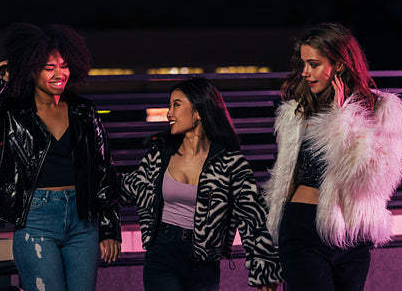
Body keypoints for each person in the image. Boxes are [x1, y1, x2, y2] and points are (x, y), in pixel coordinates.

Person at [0, 23, 121, 291]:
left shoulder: (84, 111)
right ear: (32, 69)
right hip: (36, 220)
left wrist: (109, 228)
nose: (58, 74)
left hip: (83, 221)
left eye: (64, 65)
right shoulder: (16, 112)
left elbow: (104, 170)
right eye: (49, 67)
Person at [264, 23, 402, 291]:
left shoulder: (383, 110)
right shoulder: (297, 112)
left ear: (339, 65)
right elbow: (285, 177)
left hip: (352, 235)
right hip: (301, 228)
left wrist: (344, 119)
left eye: (313, 64)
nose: (305, 72)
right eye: (303, 64)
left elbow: (377, 179)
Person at [118, 77, 282, 291]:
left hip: (204, 261)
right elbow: (124, 188)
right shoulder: (160, 155)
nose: (169, 113)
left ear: (198, 112)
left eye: (176, 105)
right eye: (170, 106)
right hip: (163, 252)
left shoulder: (231, 163)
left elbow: (253, 217)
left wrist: (264, 270)